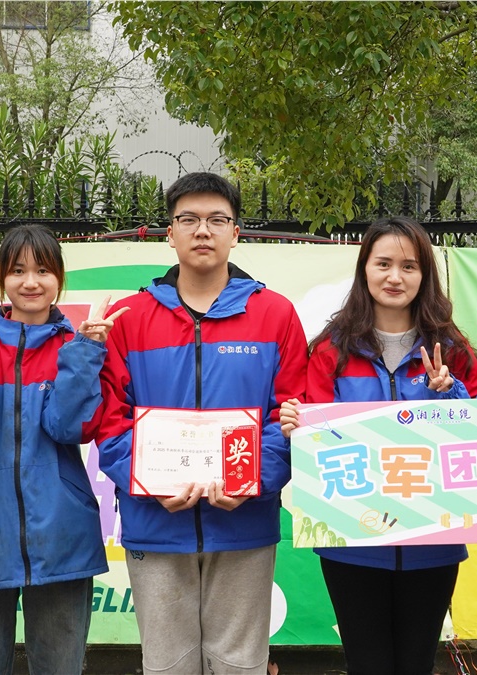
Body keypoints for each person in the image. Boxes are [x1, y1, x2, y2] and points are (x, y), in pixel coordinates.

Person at [95, 172, 308, 675]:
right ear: (170, 233)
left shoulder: (275, 314)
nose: (203, 230)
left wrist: (249, 480)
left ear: (236, 232)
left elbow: (292, 415)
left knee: (239, 665)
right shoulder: (129, 318)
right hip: (155, 525)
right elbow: (110, 421)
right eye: (188, 219)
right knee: (167, 666)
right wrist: (151, 483)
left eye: (217, 219)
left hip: (244, 524)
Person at [278, 216, 477, 675]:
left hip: (433, 541)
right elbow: (312, 440)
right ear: (364, 269)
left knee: (416, 663)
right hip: (351, 543)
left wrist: (450, 393)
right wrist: (296, 428)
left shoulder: (452, 349)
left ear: (425, 275)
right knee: (367, 663)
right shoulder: (330, 351)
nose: (395, 277)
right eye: (383, 263)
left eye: (409, 266)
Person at [0, 224, 126, 674]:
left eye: (42, 270)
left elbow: (69, 428)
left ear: (59, 279)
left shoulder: (76, 345)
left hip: (62, 535)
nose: (30, 282)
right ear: (2, 278)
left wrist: (86, 353)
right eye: (18, 270)